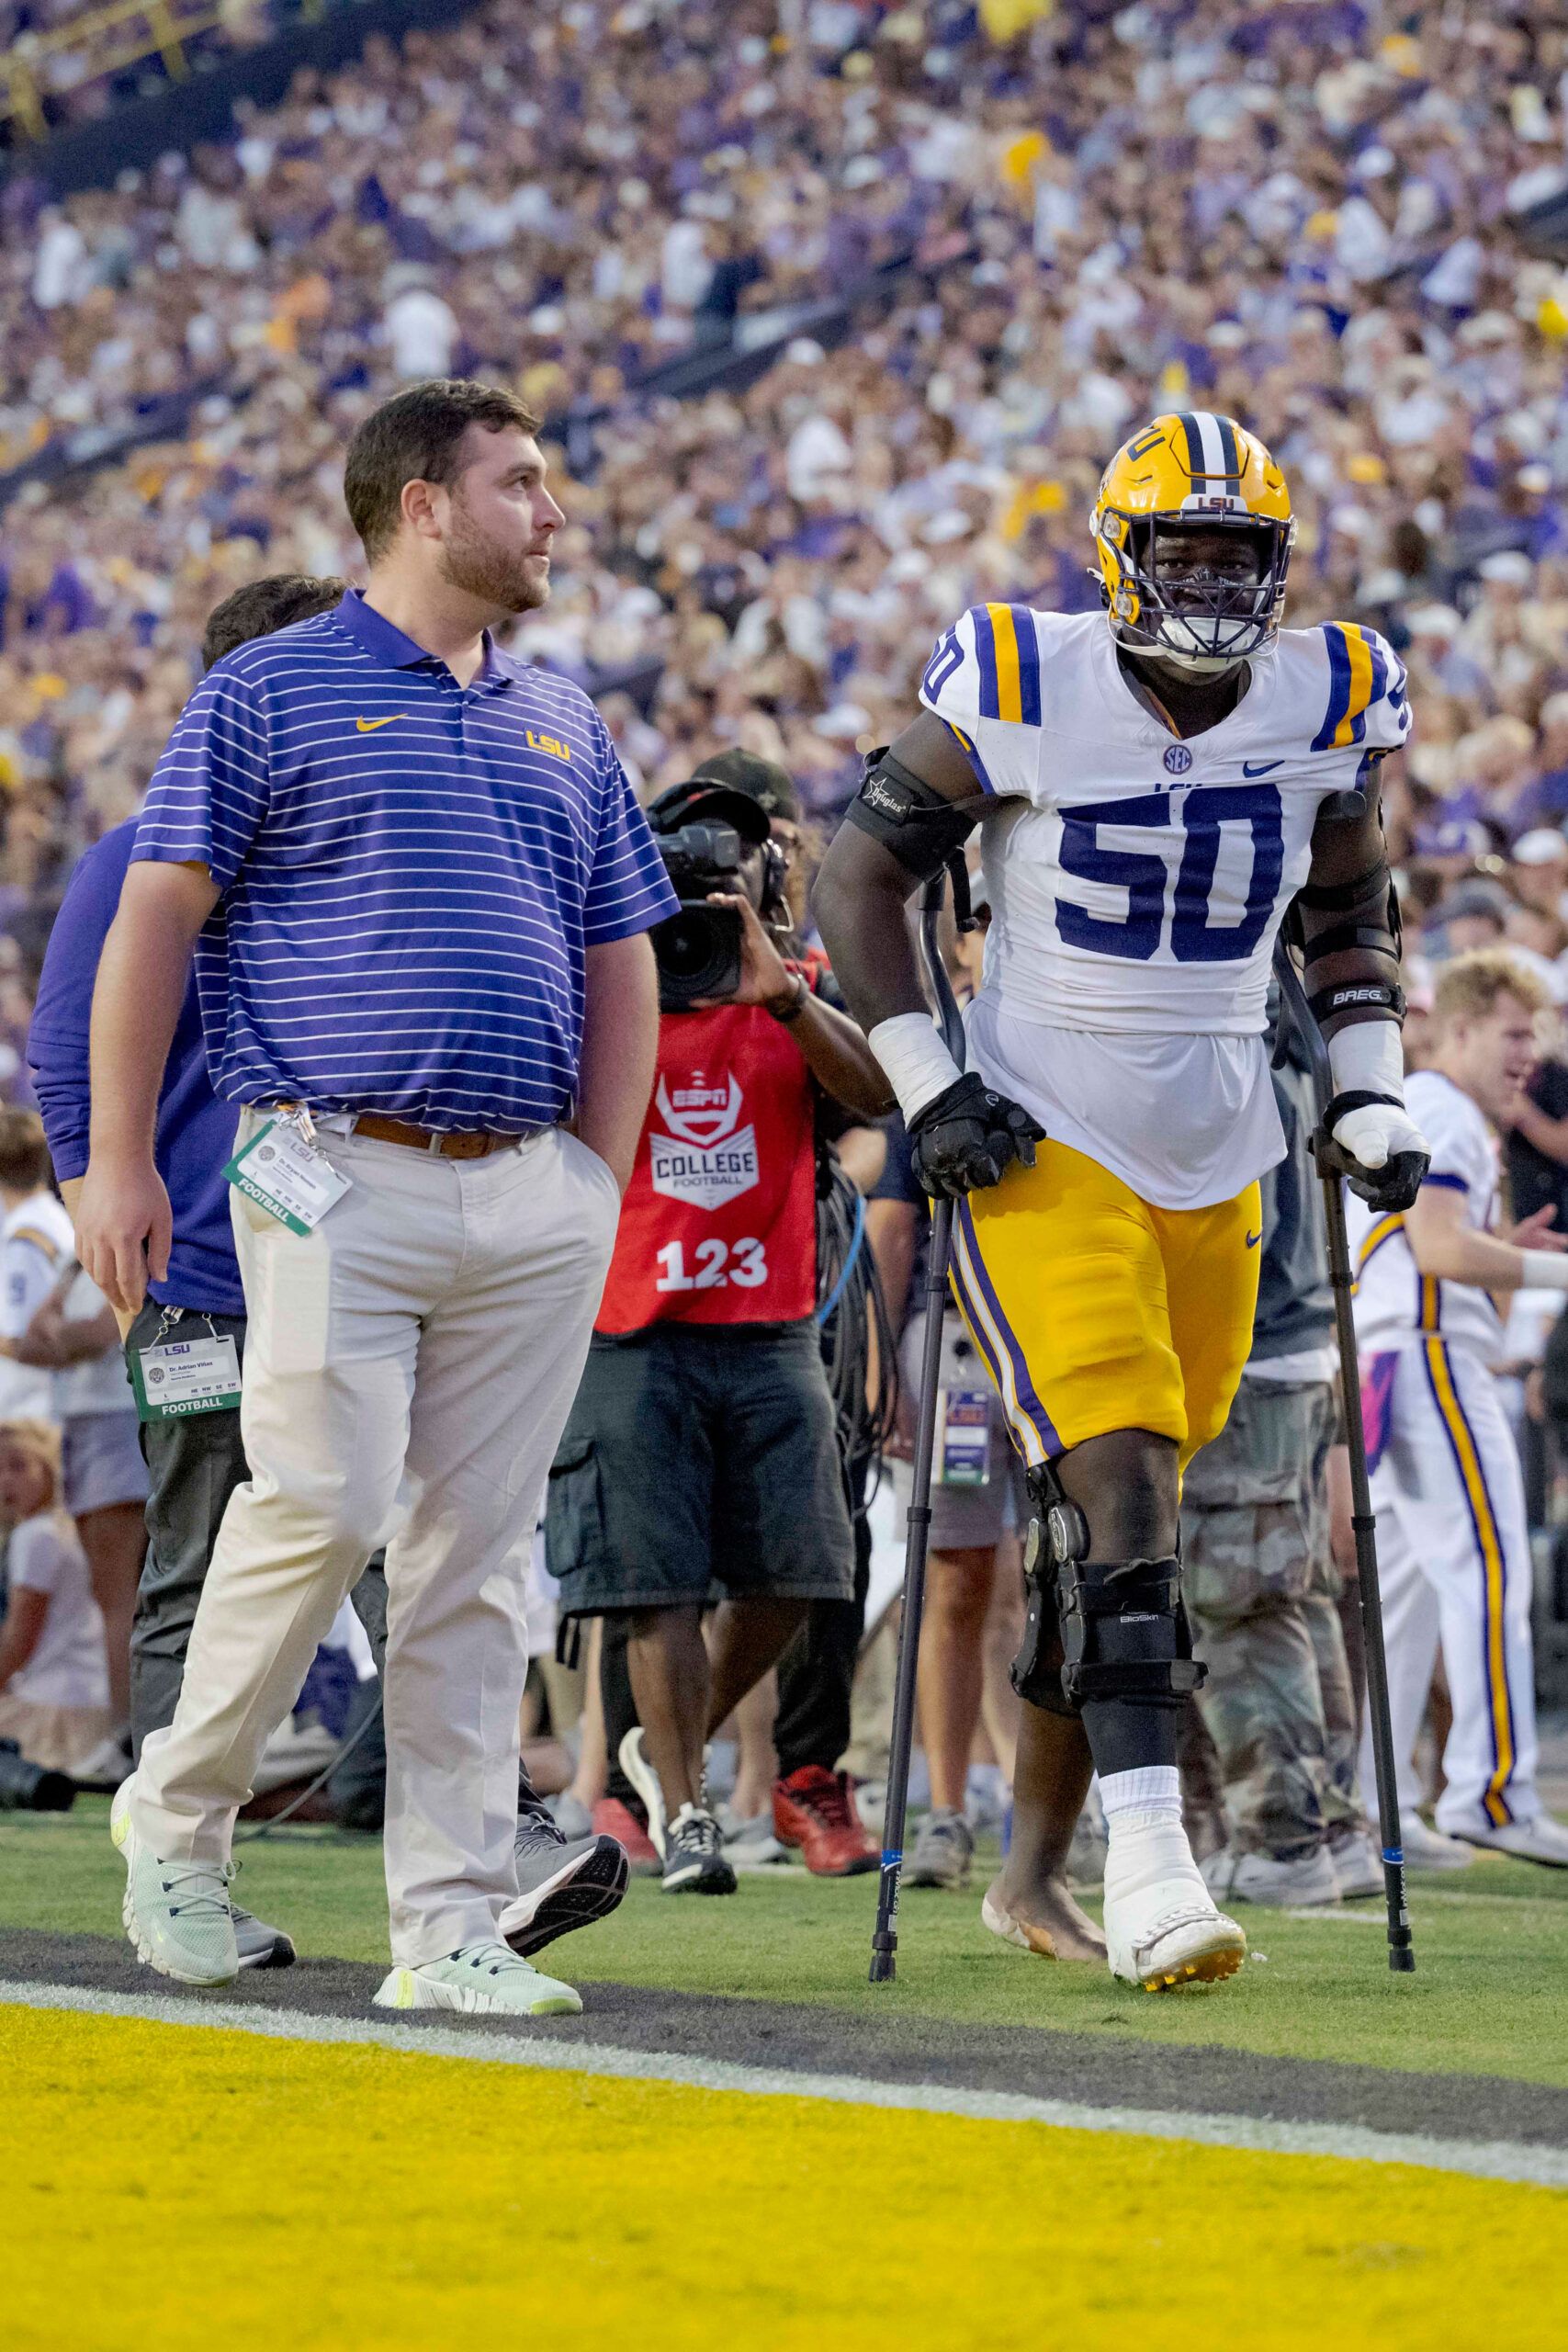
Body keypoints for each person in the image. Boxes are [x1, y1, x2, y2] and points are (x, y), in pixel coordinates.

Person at [74, 378, 678, 2016]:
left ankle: (448, 1928)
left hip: (526, 1189)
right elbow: (153, 924)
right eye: (523, 483)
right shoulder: (267, 689)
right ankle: (177, 1828)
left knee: (477, 1561)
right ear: (422, 503)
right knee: (324, 1506)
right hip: (331, 1165)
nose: (552, 513)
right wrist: (118, 1157)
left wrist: (593, 1179)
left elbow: (622, 953)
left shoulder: (567, 718)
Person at [815, 410, 1430, 1991]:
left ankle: (1026, 1872)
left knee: (1101, 1536)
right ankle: (1155, 1871)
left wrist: (1365, 1087)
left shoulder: (1331, 695)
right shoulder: (1026, 676)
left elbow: (1349, 907)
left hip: (1220, 1139)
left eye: (1242, 555)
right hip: (1042, 1129)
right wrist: (925, 1078)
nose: (1216, 583)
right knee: (1127, 1490)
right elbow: (859, 874)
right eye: (1187, 550)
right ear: (1122, 554)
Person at [547, 772, 890, 1893]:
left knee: (805, 1570)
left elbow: (877, 1095)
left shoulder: (796, 987)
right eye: (687, 856)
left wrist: (781, 992)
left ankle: (668, 1748)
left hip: (768, 1322)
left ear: (766, 875)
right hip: (632, 1321)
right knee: (657, 1586)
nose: (708, 876)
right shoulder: (606, 978)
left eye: (732, 855)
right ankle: (687, 1813)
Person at [1350, 949, 1568, 1866]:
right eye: (1516, 1032)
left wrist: (1497, 1248)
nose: (1531, 1053)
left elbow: (1433, 1241)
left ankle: (1374, 1809)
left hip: (1398, 1357)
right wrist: (1555, 1266)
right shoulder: (1442, 1104)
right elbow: (1439, 1250)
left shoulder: (1428, 1108)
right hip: (1431, 1357)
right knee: (1490, 1572)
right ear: (1465, 1028)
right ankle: (1490, 1790)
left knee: (1405, 1599)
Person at [1182, 1011, 1377, 1909]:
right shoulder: (1283, 1009)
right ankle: (1326, 1824)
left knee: (1243, 1597)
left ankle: (1287, 1832)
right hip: (1295, 1340)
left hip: (1249, 1341)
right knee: (1289, 1593)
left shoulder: (1226, 1013)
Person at [0, 1104, 144, 1780]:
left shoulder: (119, 1220)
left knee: (122, 1597)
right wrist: (63, 1333)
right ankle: (131, 1736)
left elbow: (105, 1326)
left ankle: (132, 1741)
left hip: (118, 1414)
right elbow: (36, 1337)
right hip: (96, 1419)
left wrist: (65, 1334)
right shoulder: (79, 1233)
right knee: (114, 1596)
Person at [0, 1418, 111, 1775]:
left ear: (49, 1469)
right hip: (90, 1700)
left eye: (18, 1466)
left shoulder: (36, 1536)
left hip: (53, 1710)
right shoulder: (64, 1530)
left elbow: (20, 1638)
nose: (5, 1480)